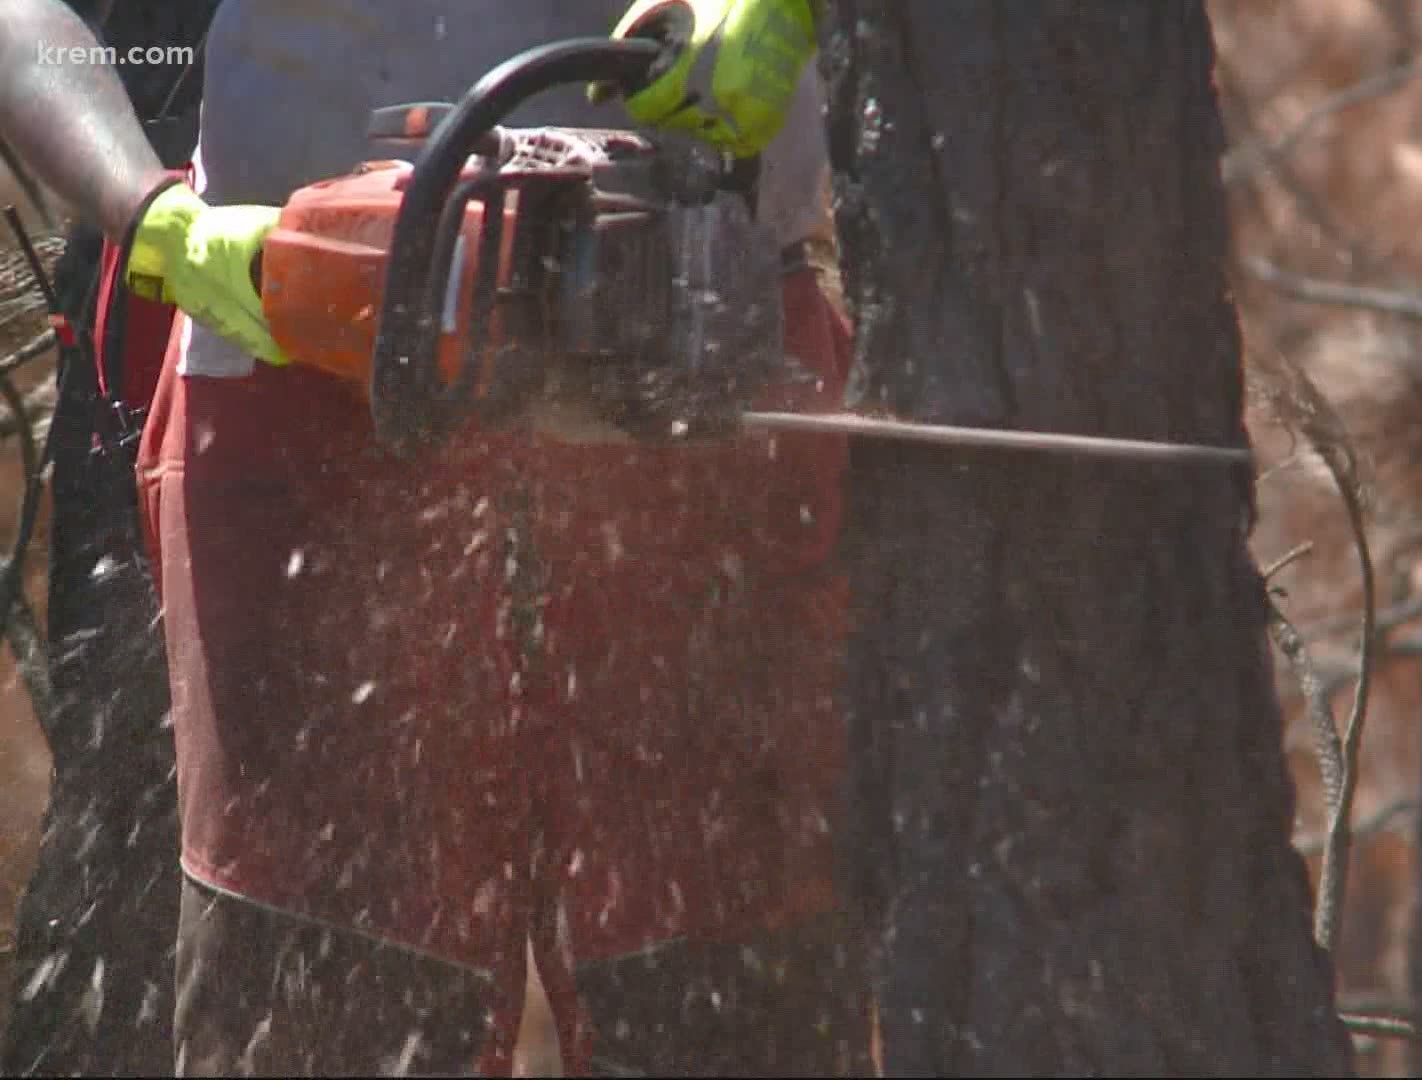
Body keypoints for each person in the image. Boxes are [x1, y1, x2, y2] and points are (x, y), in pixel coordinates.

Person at [0, 1, 863, 1075]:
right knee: (317, 1014)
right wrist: (154, 216)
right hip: (303, 344)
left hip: (703, 349)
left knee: (735, 1011)